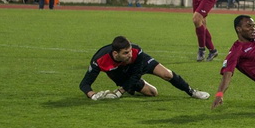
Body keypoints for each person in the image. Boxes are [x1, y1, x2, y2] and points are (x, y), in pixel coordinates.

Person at [79, 35, 209, 101]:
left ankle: (192, 92)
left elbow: (137, 73)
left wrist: (120, 91)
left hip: (136, 67)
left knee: (167, 74)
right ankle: (134, 87)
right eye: (125, 53)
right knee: (153, 93)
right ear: (115, 54)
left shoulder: (136, 52)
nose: (129, 54)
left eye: (129, 51)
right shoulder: (100, 59)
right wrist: (93, 95)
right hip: (122, 74)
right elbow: (84, 84)